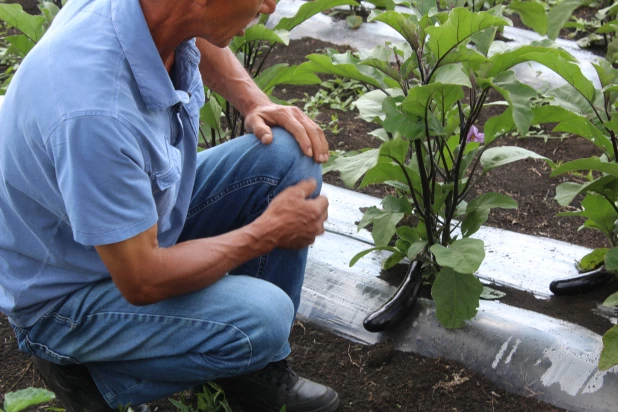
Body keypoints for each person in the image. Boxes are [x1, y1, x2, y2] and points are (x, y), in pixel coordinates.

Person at [0, 0, 339, 411]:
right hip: (70, 294)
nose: (270, 5)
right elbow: (141, 279)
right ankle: (89, 373)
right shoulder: (94, 109)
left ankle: (254, 379)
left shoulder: (151, 12)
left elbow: (192, 29)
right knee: (263, 319)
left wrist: (253, 101)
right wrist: (264, 234)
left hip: (132, 229)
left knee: (287, 156)